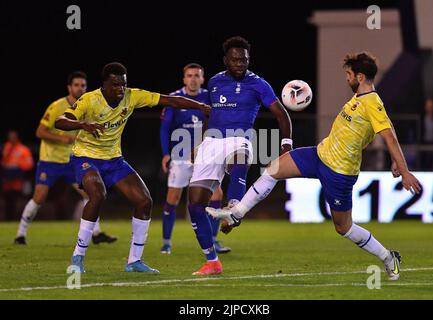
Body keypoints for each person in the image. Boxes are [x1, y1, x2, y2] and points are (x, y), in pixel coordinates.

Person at [207, 52, 422, 281]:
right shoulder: (360, 97)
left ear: (360, 76)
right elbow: (389, 127)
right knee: (273, 170)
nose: (346, 78)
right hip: (319, 155)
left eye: (349, 74)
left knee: (344, 228)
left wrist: (404, 170)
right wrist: (394, 161)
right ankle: (237, 213)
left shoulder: (372, 102)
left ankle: (389, 257)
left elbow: (389, 135)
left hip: (339, 172)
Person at [55, 62, 210, 273]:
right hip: (86, 157)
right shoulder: (90, 100)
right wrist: (83, 125)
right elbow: (60, 120)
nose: (120, 89)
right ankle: (78, 257)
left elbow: (169, 100)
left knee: (144, 201)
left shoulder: (132, 96)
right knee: (98, 194)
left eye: (123, 84)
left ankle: (134, 261)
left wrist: (199, 106)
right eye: (115, 85)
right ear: (104, 85)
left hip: (114, 160)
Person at [187, 36, 293, 275]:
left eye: (243, 60)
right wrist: (199, 143)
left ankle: (235, 208)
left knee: (240, 158)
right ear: (225, 60)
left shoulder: (258, 84)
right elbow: (210, 117)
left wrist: (286, 144)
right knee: (195, 204)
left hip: (239, 138)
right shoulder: (213, 82)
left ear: (248, 60)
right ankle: (212, 261)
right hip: (212, 142)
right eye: (234, 59)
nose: (239, 63)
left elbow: (281, 114)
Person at [14, 72, 117, 245]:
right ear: (69, 87)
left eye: (83, 85)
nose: (80, 88)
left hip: (71, 161)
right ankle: (20, 234)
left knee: (91, 194)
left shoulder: (85, 106)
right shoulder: (57, 106)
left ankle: (97, 233)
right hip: (50, 160)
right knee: (39, 197)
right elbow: (40, 132)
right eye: (76, 85)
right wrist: (63, 138)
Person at [159, 63, 230, 254]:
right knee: (173, 198)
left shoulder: (209, 97)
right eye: (189, 75)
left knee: (217, 195)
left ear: (202, 78)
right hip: (181, 155)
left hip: (206, 156)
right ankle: (166, 242)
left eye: (197, 75)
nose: (193, 79)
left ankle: (214, 240)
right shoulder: (174, 98)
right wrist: (166, 153)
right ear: (184, 79)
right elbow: (165, 129)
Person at [1, 131, 34, 220]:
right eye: (10, 137)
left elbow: (29, 164)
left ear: (17, 138)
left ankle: (17, 219)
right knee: (7, 201)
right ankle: (7, 220)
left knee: (16, 201)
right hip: (6, 180)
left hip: (19, 180)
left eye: (13, 137)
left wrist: (17, 167)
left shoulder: (23, 149)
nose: (11, 139)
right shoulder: (6, 147)